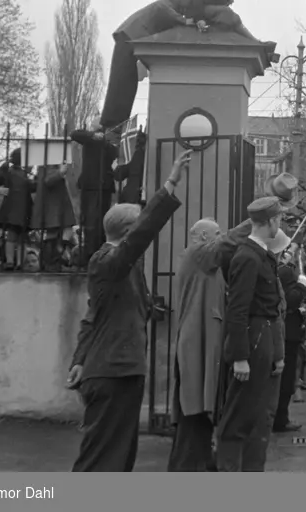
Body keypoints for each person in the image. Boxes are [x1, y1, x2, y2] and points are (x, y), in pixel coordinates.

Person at [66, 150, 192, 472]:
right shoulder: (107, 261)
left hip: (119, 370)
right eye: (136, 228)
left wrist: (79, 360)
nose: (140, 236)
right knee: (102, 460)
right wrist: (168, 186)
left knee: (119, 457)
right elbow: (140, 237)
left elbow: (93, 316)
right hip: (113, 372)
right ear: (126, 233)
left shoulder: (124, 267)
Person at [215, 197, 289, 472]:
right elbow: (237, 310)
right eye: (279, 219)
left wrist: (278, 354)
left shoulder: (261, 254)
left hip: (267, 338)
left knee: (262, 416)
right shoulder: (246, 256)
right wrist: (239, 357)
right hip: (254, 340)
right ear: (271, 221)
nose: (279, 224)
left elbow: (273, 311)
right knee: (239, 416)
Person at [167, 219, 224, 472]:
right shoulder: (198, 253)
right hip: (196, 342)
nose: (220, 237)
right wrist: (257, 221)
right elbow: (230, 242)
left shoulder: (202, 257)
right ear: (202, 236)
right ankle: (190, 466)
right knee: (195, 406)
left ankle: (198, 462)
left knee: (197, 409)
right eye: (216, 233)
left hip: (200, 340)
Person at [99, 0, 195, 131]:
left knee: (126, 81)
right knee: (122, 81)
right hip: (131, 35)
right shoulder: (172, 1)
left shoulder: (173, 4)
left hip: (130, 35)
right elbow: (162, 8)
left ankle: (115, 122)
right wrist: (184, 21)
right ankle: (113, 122)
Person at [70, 124, 119, 268]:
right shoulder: (89, 139)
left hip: (104, 186)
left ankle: (99, 253)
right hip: (90, 185)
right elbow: (74, 134)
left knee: (102, 222)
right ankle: (90, 255)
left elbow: (114, 153)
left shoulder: (108, 145)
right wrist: (92, 135)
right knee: (90, 221)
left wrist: (104, 141)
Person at [273, 259, 306, 434]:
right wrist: (302, 286)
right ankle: (280, 419)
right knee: (285, 380)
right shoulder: (283, 271)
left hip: (286, 332)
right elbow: (290, 298)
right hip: (286, 333)